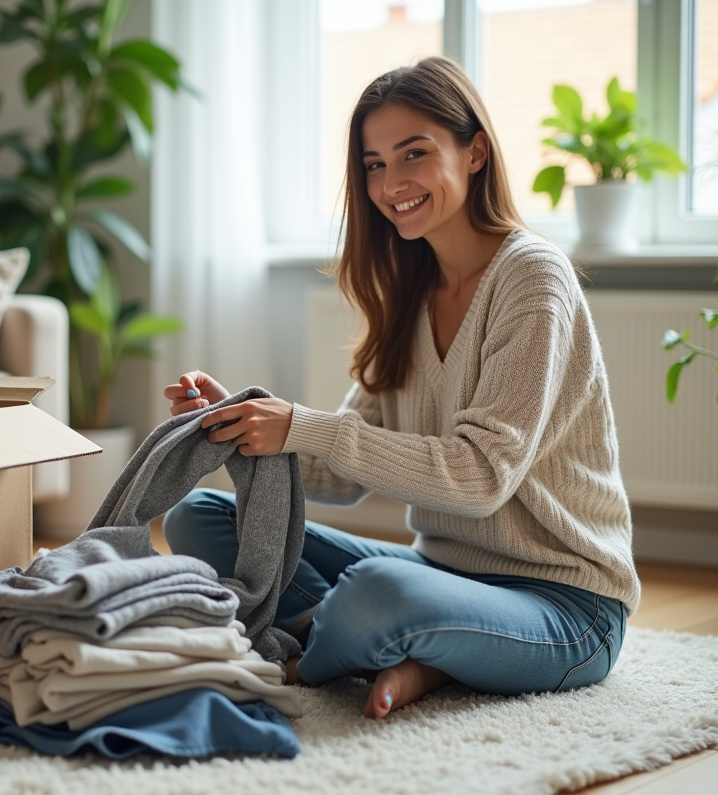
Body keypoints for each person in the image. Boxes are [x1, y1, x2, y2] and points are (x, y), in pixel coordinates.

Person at [160, 56, 639, 719]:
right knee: (198, 518)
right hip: (443, 574)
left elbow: (478, 480)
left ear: (475, 153)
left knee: (377, 593)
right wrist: (238, 424)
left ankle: (344, 647)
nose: (391, 183)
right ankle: (407, 650)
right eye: (374, 163)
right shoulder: (410, 290)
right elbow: (336, 476)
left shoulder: (533, 278)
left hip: (567, 605)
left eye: (413, 154)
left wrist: (301, 422)